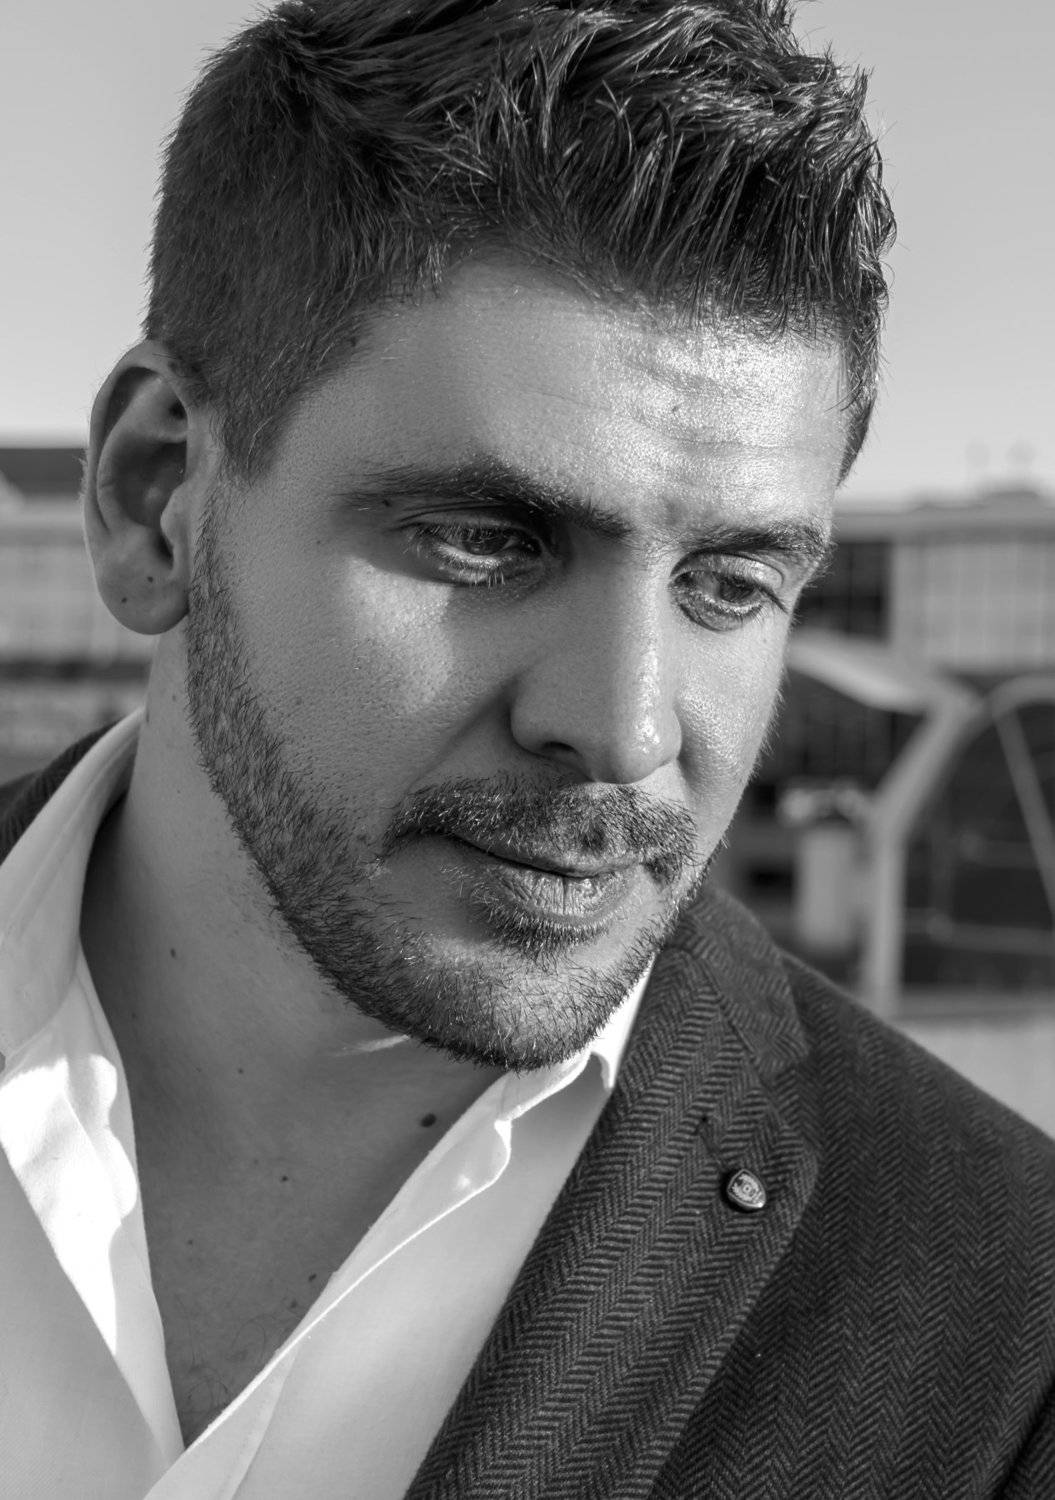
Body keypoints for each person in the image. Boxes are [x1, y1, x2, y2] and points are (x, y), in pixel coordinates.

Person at [1, 0, 1053, 1494]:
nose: (626, 727)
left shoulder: (1000, 1341)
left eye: (730, 585)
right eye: (484, 540)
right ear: (154, 496)